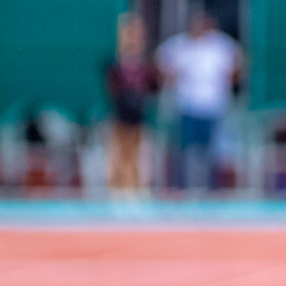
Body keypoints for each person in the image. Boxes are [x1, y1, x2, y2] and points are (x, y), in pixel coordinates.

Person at [156, 10, 243, 192]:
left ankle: (213, 189)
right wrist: (171, 78)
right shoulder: (181, 44)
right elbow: (159, 61)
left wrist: (230, 79)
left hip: (214, 106)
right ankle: (181, 187)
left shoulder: (221, 45)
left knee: (214, 152)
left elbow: (239, 63)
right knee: (184, 151)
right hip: (187, 106)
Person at [104, 12, 159, 195]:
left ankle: (135, 186)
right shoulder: (118, 63)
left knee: (139, 152)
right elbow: (113, 87)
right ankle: (117, 186)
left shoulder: (144, 64)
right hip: (122, 111)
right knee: (120, 150)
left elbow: (153, 86)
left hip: (138, 112)